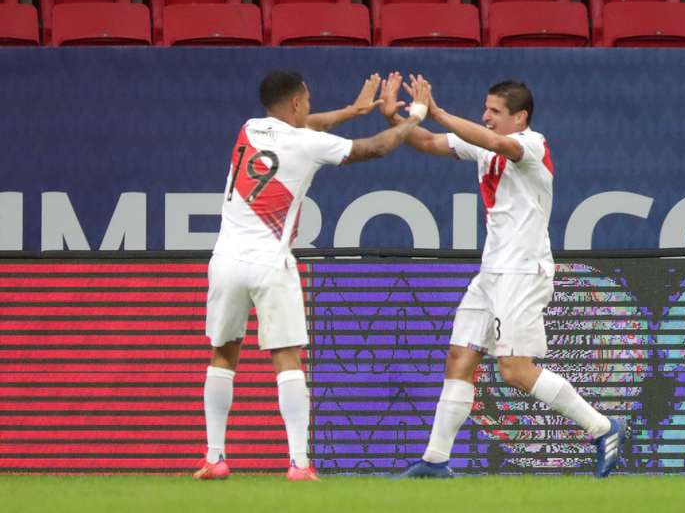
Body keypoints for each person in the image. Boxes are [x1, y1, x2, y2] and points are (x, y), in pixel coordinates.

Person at [378, 72, 627, 478]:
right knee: (460, 357)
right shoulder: (481, 144)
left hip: (523, 271)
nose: (486, 117)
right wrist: (398, 119)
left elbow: (495, 142)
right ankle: (436, 461)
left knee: (515, 370)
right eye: (485, 110)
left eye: (494, 111)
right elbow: (425, 142)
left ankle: (603, 427)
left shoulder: (532, 144)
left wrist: (436, 111)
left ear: (520, 117)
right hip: (491, 271)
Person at [194, 71, 431, 481]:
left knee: (223, 355)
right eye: (308, 100)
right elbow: (374, 148)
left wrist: (352, 111)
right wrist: (415, 117)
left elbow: (305, 125)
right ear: (298, 103)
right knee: (287, 359)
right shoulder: (306, 143)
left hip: (226, 261)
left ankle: (215, 458)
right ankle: (299, 464)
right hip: (270, 263)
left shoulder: (249, 128)